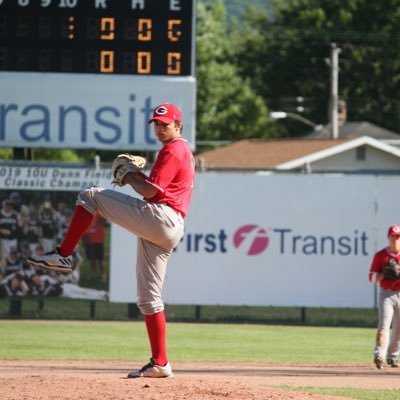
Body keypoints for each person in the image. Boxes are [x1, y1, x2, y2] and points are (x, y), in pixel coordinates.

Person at [27, 103, 195, 379]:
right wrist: (136, 176)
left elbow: (151, 193)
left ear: (178, 125)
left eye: (165, 123)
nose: (160, 128)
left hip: (162, 217)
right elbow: (152, 190)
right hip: (169, 226)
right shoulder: (180, 151)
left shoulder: (173, 149)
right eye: (156, 123)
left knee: (91, 195)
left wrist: (129, 175)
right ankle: (161, 363)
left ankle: (63, 253)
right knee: (148, 299)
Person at [369, 224, 400, 369]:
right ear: (388, 237)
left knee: (399, 329)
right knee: (384, 325)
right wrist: (383, 275)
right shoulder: (381, 255)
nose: (395, 239)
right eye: (393, 236)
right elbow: (371, 277)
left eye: (398, 236)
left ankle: (393, 357)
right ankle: (379, 355)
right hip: (386, 294)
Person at [82, 214, 107, 281]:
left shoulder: (99, 213)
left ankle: (103, 274)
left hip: (98, 240)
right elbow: (83, 227)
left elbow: (105, 219)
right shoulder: (86, 214)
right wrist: (83, 239)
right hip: (89, 240)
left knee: (100, 259)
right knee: (91, 259)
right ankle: (93, 274)